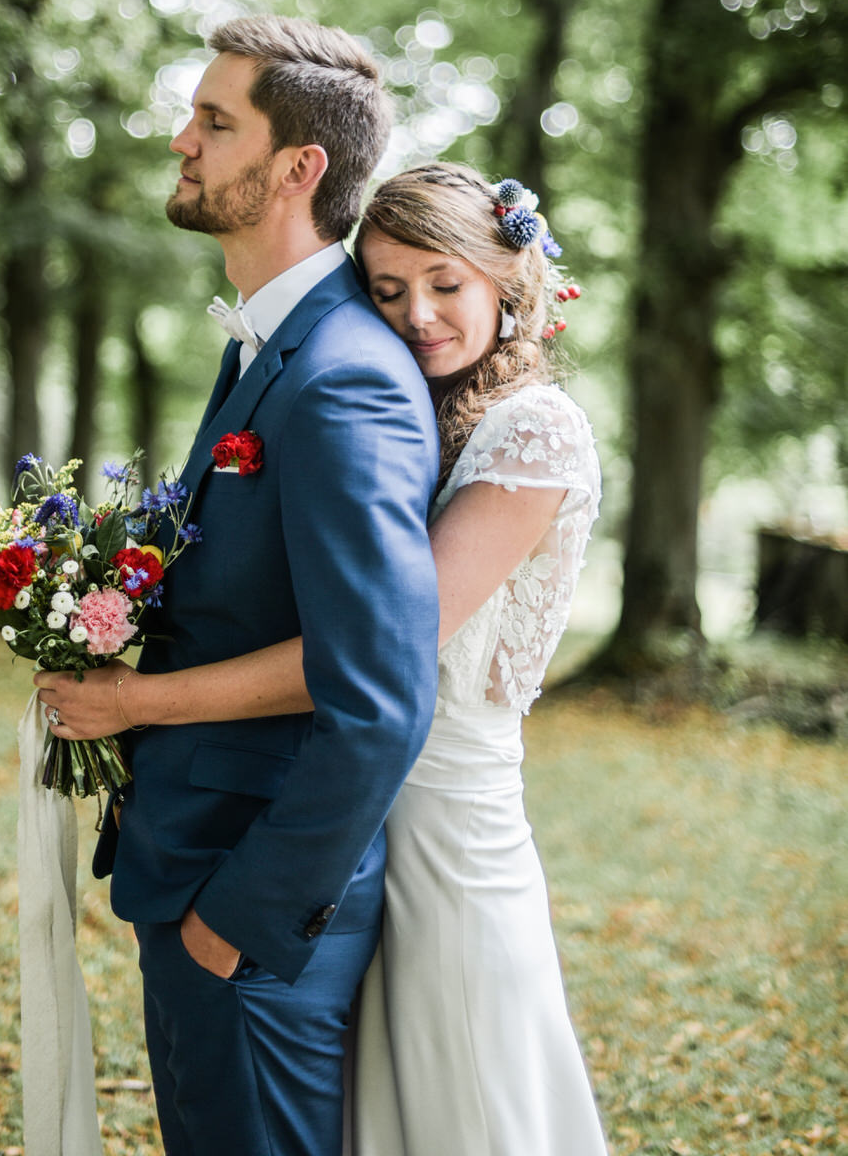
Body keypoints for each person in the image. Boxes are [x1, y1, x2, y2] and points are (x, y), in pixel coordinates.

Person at [42, 157, 608, 1155]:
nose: (419, 314)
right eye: (388, 290)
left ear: (507, 282)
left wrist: (144, 702)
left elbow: (374, 656)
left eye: (447, 284)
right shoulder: (428, 412)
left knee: (465, 1102)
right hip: (359, 818)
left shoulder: (534, 435)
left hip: (450, 834)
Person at [37, 17, 442, 1156]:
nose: (182, 139)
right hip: (192, 860)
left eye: (216, 123)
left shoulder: (344, 379)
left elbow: (379, 692)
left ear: (298, 169)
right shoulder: (270, 347)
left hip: (250, 900)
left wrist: (241, 923)